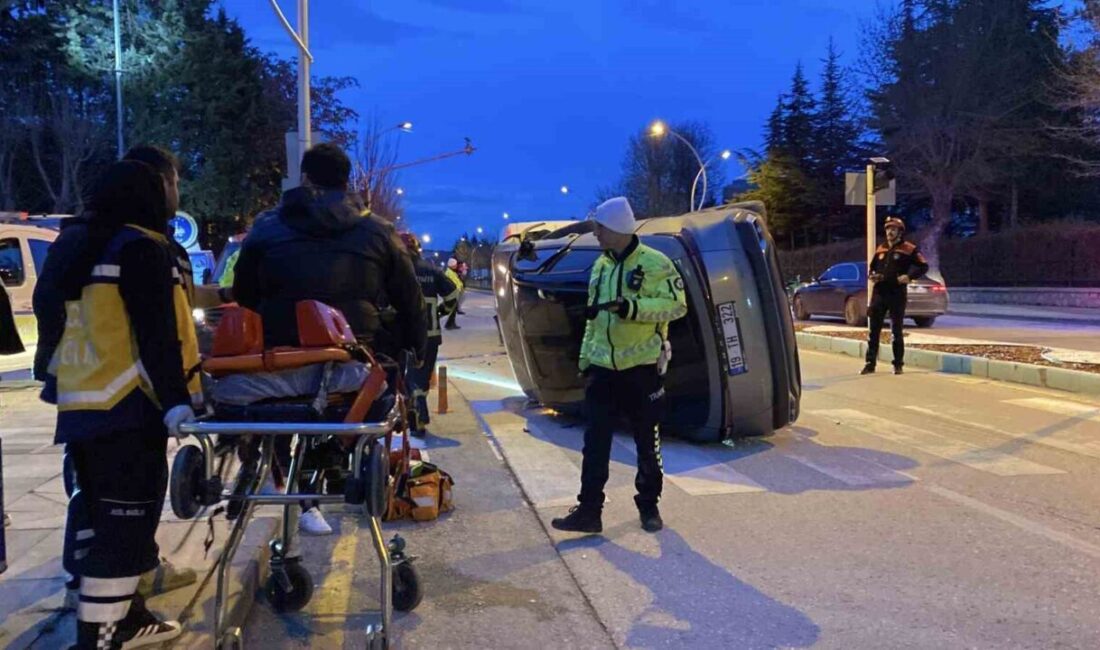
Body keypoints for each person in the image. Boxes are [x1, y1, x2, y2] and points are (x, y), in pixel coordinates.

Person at [33, 146, 198, 611]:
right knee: (127, 520)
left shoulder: (77, 241)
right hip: (130, 401)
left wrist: (54, 370)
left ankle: (96, 593)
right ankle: (108, 625)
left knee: (95, 504)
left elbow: (51, 311)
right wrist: (176, 400)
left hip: (82, 399)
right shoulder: (140, 247)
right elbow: (155, 334)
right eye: (172, 184)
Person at [232, 143, 426, 535]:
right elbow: (410, 300)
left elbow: (244, 294)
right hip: (353, 362)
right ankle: (333, 456)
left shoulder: (267, 227)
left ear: (304, 177)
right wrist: (414, 350)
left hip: (281, 360)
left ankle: (283, 472)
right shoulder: (377, 230)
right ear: (346, 180)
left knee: (282, 415)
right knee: (360, 405)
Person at [551, 197, 687, 535]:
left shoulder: (656, 263)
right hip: (602, 370)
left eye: (599, 228)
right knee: (595, 443)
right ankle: (589, 511)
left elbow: (677, 306)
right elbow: (594, 319)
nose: (596, 233)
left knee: (647, 442)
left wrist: (632, 307)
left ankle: (648, 506)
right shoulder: (601, 265)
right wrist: (585, 359)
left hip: (641, 368)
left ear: (614, 228)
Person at [400, 232, 460, 436]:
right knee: (422, 375)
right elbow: (452, 294)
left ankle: (412, 415)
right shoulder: (431, 270)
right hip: (430, 335)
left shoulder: (395, 270)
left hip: (402, 334)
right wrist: (441, 312)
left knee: (405, 376)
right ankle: (418, 415)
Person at [861, 216, 929, 375]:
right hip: (879, 292)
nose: (889, 232)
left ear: (900, 232)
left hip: (896, 293)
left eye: (893, 229)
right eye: (888, 229)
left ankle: (898, 364)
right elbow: (872, 267)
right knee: (873, 330)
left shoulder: (909, 249)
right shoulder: (881, 248)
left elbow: (923, 266)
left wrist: (909, 276)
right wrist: (872, 275)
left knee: (896, 330)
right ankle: (870, 364)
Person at [443, 258, 464, 330]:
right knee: (453, 310)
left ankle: (451, 323)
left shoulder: (451, 272)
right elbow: (453, 283)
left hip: (454, 292)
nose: (456, 266)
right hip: (452, 293)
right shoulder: (449, 273)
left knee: (453, 310)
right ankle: (449, 324)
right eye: (455, 265)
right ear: (451, 265)